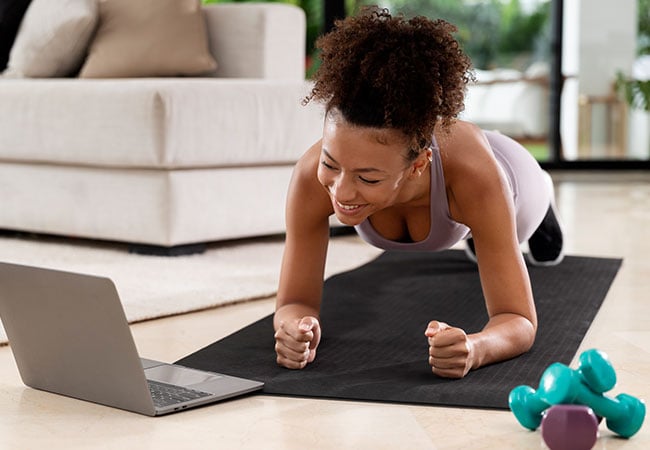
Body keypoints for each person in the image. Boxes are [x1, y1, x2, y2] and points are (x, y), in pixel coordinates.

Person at [273, 7, 564, 379]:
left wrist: (476, 348)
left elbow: (519, 319)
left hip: (511, 176)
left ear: (417, 165)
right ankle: (479, 234)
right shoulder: (311, 176)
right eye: (332, 164)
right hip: (457, 194)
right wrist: (293, 328)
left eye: (368, 177)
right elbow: (294, 302)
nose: (340, 190)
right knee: (482, 240)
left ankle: (537, 198)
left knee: (521, 227)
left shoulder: (475, 179)